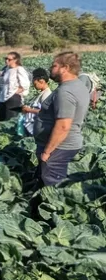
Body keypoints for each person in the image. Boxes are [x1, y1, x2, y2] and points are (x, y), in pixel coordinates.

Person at [33, 52, 89, 187]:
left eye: (54, 66)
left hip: (58, 149)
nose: (50, 69)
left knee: (53, 189)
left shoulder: (65, 92)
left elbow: (63, 126)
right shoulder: (78, 85)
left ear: (65, 68)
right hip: (63, 147)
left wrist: (47, 152)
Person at [0, 52, 30, 121]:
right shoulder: (7, 69)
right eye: (5, 59)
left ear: (15, 60)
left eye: (9, 59)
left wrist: (16, 92)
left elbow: (25, 84)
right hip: (4, 97)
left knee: (11, 120)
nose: (6, 61)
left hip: (14, 98)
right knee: (2, 119)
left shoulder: (19, 69)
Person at [21, 68, 52, 136]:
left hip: (40, 130)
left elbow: (45, 112)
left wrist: (29, 110)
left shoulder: (46, 94)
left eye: (35, 82)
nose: (33, 84)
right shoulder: (43, 93)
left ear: (41, 81)